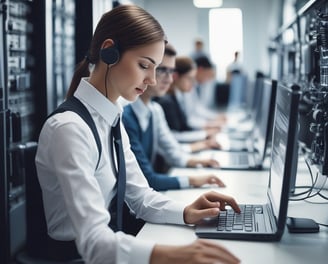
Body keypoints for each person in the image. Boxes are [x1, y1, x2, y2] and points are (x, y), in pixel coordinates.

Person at [35, 5, 240, 264]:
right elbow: (94, 243)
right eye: (145, 65)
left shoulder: (113, 118)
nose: (153, 80)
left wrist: (187, 211)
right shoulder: (69, 130)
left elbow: (140, 197)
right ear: (109, 51)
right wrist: (172, 255)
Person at [122, 43, 224, 191]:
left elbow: (173, 152)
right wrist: (193, 180)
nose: (170, 80)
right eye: (162, 70)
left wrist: (200, 163)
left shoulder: (155, 110)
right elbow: (147, 180)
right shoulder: (126, 117)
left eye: (171, 72)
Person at [155, 56, 220, 143]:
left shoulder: (177, 96)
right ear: (176, 76)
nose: (193, 83)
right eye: (190, 78)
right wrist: (204, 134)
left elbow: (185, 125)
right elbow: (172, 135)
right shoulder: (166, 101)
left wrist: (206, 131)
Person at [184, 56, 227, 130]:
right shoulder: (186, 87)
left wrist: (215, 117)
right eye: (208, 75)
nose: (208, 80)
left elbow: (197, 108)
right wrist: (210, 124)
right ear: (200, 70)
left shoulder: (194, 86)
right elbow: (189, 117)